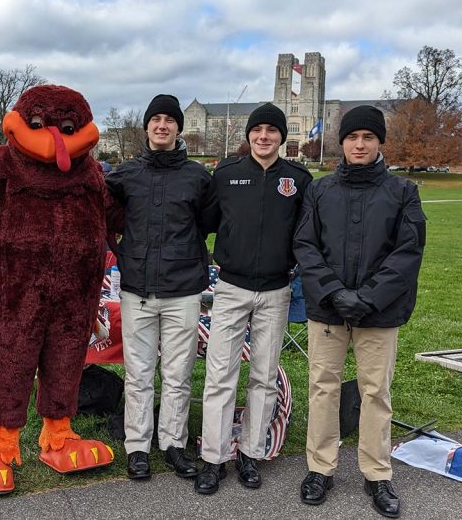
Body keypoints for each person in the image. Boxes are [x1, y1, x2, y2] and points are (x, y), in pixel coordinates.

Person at [293, 105, 426, 518]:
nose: (360, 144)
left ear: (379, 142)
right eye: (353, 137)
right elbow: (305, 246)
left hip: (379, 312)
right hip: (328, 310)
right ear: (343, 142)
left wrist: (367, 297)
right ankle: (320, 467)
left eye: (368, 137)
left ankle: (377, 472)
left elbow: (408, 252)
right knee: (323, 389)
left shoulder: (403, 192)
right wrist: (334, 292)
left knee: (375, 393)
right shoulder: (320, 189)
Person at [196, 103, 312, 494]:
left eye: (272, 130)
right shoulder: (227, 174)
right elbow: (207, 223)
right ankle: (213, 457)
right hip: (231, 288)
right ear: (248, 135)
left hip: (277, 290)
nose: (264, 136)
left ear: (282, 135)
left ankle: (250, 452)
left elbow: (305, 233)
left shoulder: (298, 178)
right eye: (257, 130)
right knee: (220, 375)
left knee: (263, 376)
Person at [106, 94, 214, 482]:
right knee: (138, 372)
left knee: (178, 372)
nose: (162, 125)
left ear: (178, 128)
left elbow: (206, 224)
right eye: (156, 119)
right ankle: (137, 446)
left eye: (170, 120)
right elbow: (101, 213)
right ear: (148, 126)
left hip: (182, 290)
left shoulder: (198, 177)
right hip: (137, 289)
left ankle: (173, 443)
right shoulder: (126, 174)